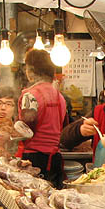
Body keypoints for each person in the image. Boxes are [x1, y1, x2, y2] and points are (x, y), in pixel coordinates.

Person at [18, 49, 68, 189]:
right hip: (55, 159)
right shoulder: (60, 97)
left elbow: (26, 129)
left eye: (27, 68)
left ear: (32, 70)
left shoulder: (30, 95)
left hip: (34, 160)